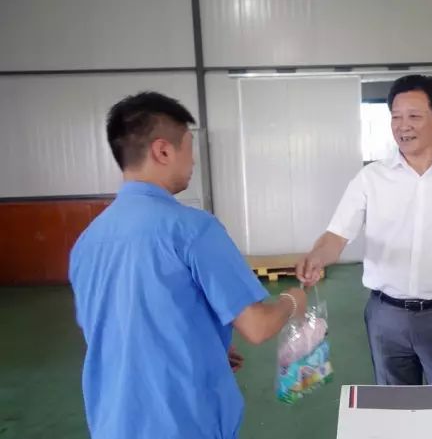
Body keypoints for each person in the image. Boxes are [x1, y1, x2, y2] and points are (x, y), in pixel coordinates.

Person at [69, 92, 307, 439]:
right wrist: (292, 301)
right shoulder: (193, 229)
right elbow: (257, 327)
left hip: (113, 423)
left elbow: (116, 329)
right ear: (163, 151)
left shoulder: (87, 241)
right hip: (184, 422)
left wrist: (207, 345)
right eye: (189, 147)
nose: (192, 161)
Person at [296, 75, 432, 386]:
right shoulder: (371, 178)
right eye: (396, 117)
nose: (403, 126)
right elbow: (337, 235)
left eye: (414, 116)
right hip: (386, 316)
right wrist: (316, 257)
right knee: (394, 405)